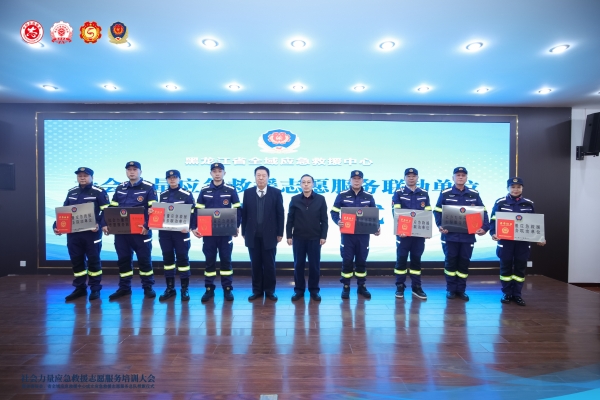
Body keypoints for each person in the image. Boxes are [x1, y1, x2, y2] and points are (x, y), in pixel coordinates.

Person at [103, 161, 158, 300]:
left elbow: (154, 210)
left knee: (144, 260)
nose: (131, 172)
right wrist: (105, 223)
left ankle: (148, 287)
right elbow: (112, 208)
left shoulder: (149, 187)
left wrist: (147, 225)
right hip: (121, 231)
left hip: (141, 231)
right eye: (129, 169)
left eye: (134, 169)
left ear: (140, 171)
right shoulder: (120, 187)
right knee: (123, 260)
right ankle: (124, 288)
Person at [53, 167, 109, 301]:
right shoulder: (71, 192)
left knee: (93, 261)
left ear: (92, 177)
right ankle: (80, 288)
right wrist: (57, 226)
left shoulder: (99, 192)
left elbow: (106, 211)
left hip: (91, 233)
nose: (82, 177)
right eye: (80, 176)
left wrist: (99, 224)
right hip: (73, 233)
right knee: (77, 261)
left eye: (85, 175)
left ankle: (95, 288)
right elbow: (64, 212)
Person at [434, 167, 489, 301]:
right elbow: (437, 211)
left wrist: (484, 228)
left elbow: (483, 212)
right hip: (450, 236)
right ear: (453, 178)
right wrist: (440, 225)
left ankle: (461, 290)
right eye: (458, 175)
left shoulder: (474, 194)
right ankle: (451, 289)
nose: (460, 177)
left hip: (467, 237)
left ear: (466, 178)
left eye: (463, 175)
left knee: (464, 263)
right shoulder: (446, 193)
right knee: (450, 263)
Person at [490, 177, 546, 306]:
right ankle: (506, 293)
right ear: (508, 188)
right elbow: (493, 220)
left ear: (522, 188)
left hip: (522, 242)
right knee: (505, 267)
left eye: (518, 187)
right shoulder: (500, 202)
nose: (516, 189)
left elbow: (534, 224)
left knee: (520, 268)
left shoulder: (529, 203)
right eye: (513, 187)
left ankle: (517, 294)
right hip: (505, 242)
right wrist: (493, 233)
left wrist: (540, 237)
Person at [192, 163, 242, 302]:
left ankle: (227, 289)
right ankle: (209, 289)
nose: (217, 173)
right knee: (209, 261)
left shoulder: (231, 189)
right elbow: (197, 210)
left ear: (224, 173)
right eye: (214, 171)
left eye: (220, 171)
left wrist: (236, 225)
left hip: (225, 232)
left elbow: (238, 209)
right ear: (211, 174)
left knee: (226, 261)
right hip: (208, 233)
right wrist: (194, 227)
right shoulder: (204, 190)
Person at [330, 170, 380, 299]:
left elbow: (374, 215)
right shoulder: (342, 195)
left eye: (359, 179)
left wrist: (377, 227)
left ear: (362, 180)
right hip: (347, 235)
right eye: (354, 178)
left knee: (361, 260)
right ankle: (346, 286)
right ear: (350, 180)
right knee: (347, 260)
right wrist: (338, 221)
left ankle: (361, 286)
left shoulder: (369, 196)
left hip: (363, 235)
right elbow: (333, 212)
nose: (356, 181)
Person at [241, 166, 284, 301]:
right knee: (255, 265)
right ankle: (257, 291)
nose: (260, 178)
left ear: (268, 177)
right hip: (252, 235)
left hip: (270, 235)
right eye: (258, 175)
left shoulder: (276, 193)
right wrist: (243, 231)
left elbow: (280, 214)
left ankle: (270, 291)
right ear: (255, 177)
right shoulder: (247, 193)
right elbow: (244, 213)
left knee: (269, 265)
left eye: (263, 175)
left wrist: (280, 233)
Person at [286, 174, 328, 302]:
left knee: (314, 266)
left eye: (308, 182)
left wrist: (323, 236)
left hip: (315, 238)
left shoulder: (320, 199)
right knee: (298, 265)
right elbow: (290, 219)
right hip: (298, 238)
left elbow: (324, 220)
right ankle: (299, 290)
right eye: (303, 182)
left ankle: (314, 290)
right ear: (300, 184)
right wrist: (289, 235)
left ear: (313, 184)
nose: (306, 184)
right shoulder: (294, 199)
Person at [155, 170, 196, 302]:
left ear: (179, 179)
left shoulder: (186, 194)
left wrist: (189, 227)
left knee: (183, 259)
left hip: (181, 233)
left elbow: (193, 212)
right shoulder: (163, 194)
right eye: (169, 178)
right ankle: (170, 288)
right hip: (165, 233)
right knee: (168, 260)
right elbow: (159, 213)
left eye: (174, 177)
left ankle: (184, 289)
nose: (172, 179)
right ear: (167, 180)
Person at [391, 168, 431, 300]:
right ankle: (400, 286)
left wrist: (427, 230)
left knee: (416, 260)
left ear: (417, 178)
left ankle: (416, 287)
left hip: (419, 234)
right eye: (408, 176)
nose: (411, 178)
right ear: (404, 178)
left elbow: (427, 212)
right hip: (403, 234)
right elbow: (395, 212)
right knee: (401, 259)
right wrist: (399, 229)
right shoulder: (399, 193)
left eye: (414, 176)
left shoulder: (424, 193)